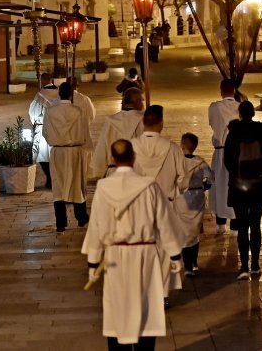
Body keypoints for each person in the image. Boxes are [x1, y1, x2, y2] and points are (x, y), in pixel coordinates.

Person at [82, 139, 185, 351]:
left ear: (112, 159)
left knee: (118, 310)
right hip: (145, 254)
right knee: (146, 310)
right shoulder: (149, 186)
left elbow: (97, 225)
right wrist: (174, 255)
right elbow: (164, 222)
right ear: (134, 157)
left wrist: (93, 262)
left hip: (115, 258)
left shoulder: (104, 187)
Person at [131, 105, 189, 298]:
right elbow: (183, 179)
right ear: (161, 123)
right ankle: (162, 293)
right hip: (166, 204)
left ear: (143, 123)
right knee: (164, 250)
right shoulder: (172, 149)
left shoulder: (131, 147)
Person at [224, 100, 262, 280]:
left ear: (240, 113)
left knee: (242, 226)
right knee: (255, 225)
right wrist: (258, 173)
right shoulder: (261, 134)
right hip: (258, 184)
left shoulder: (233, 134)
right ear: (253, 113)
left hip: (239, 184)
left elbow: (228, 160)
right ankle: (256, 265)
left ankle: (243, 266)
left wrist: (237, 175)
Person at [42, 82, 91, 233]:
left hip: (57, 151)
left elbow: (45, 132)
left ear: (59, 93)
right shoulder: (78, 111)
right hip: (75, 151)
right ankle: (81, 217)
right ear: (71, 94)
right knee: (77, 183)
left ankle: (61, 223)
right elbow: (85, 132)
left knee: (58, 186)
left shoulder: (50, 112)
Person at [176, 133, 213, 277]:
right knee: (195, 230)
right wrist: (204, 186)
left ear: (182, 146)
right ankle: (194, 262)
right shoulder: (200, 162)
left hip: (182, 199)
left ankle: (188, 266)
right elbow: (210, 177)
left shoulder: (178, 161)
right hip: (197, 198)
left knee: (185, 232)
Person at [208, 79, 240, 233]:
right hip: (236, 153)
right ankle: (235, 222)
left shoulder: (214, 107)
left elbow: (212, 123)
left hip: (221, 151)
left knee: (220, 186)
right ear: (234, 90)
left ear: (221, 91)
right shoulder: (241, 107)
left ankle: (220, 223)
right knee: (235, 186)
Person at [90, 88, 144, 179]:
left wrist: (99, 171)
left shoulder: (111, 121)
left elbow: (102, 147)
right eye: (142, 100)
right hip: (137, 172)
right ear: (137, 101)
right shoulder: (143, 120)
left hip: (114, 173)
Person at [28, 72, 59, 189]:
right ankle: (56, 178)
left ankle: (49, 178)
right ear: (51, 80)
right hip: (58, 127)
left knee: (43, 155)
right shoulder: (60, 93)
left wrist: (34, 122)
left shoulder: (40, 96)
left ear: (42, 81)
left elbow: (34, 114)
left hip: (43, 128)